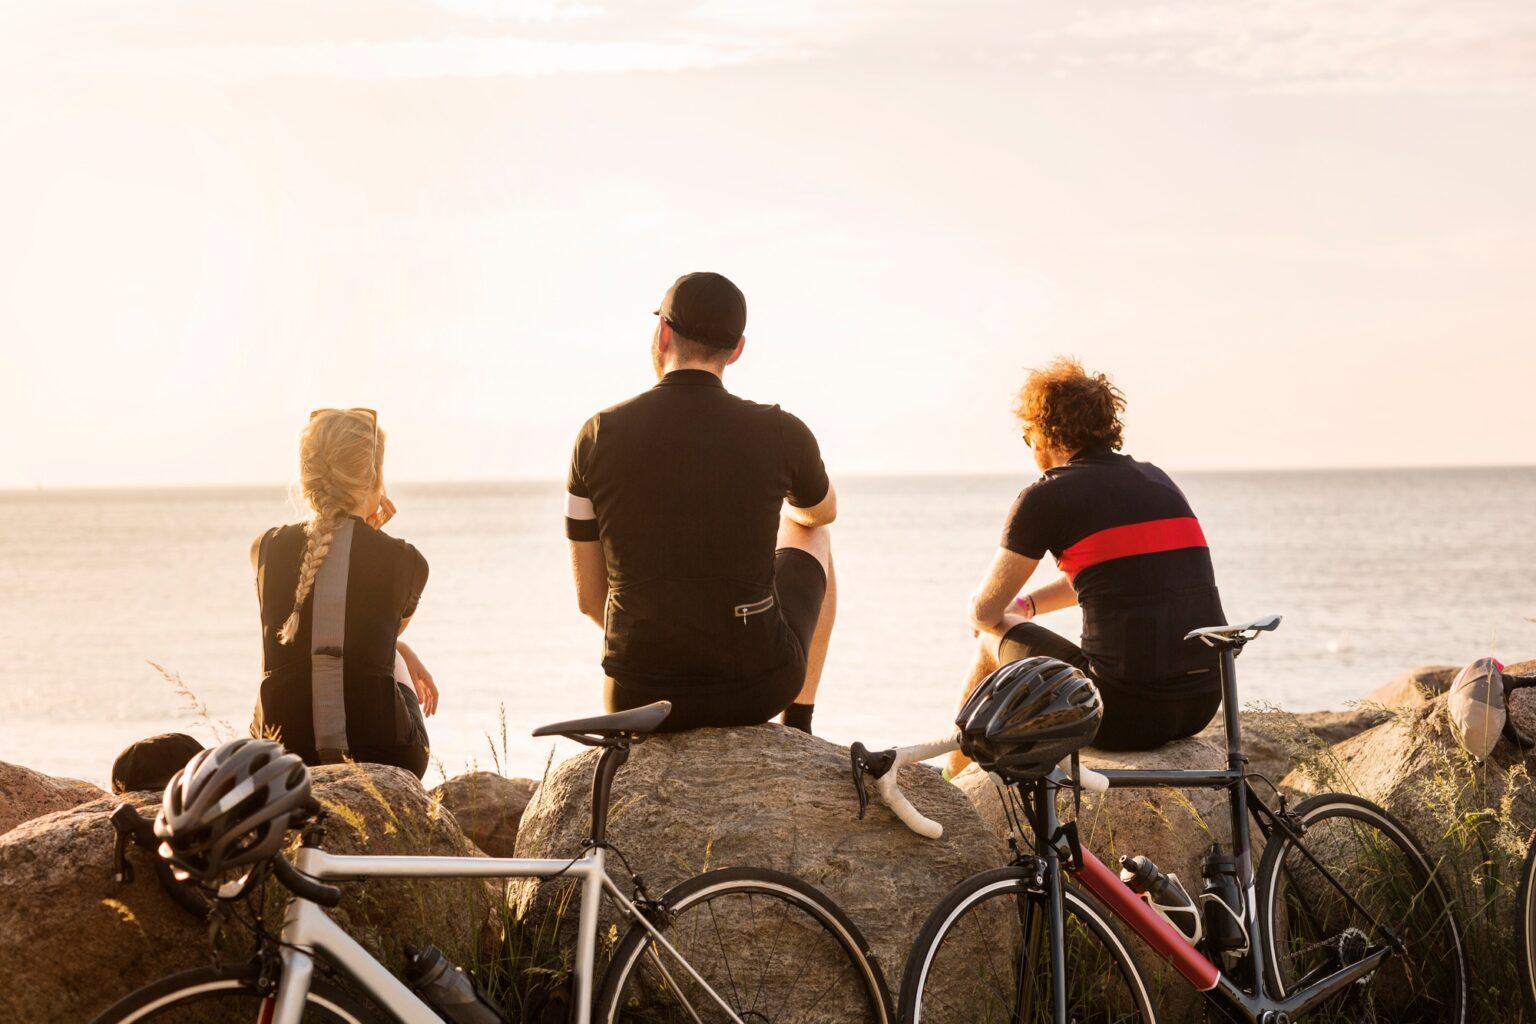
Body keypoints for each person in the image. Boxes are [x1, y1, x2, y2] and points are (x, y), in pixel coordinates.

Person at [565, 272, 836, 734]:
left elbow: (592, 601)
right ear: (737, 350)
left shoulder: (596, 435)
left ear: (663, 334)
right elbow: (822, 512)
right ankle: (799, 724)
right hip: (755, 689)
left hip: (636, 697)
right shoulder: (782, 431)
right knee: (813, 530)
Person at [954, 358, 1225, 771]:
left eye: (1027, 437)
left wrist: (987, 610)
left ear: (1043, 433)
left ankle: (955, 775)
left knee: (991, 636)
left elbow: (985, 612)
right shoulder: (1157, 481)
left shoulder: (1046, 496)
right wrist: (1027, 606)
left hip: (1119, 715)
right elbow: (1108, 575)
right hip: (1201, 703)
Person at [250, 408, 439, 777]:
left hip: (282, 757)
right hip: (385, 755)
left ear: (307, 478)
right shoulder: (407, 560)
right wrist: (370, 529)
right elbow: (374, 639)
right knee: (393, 658)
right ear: (375, 479)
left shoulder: (264, 549)